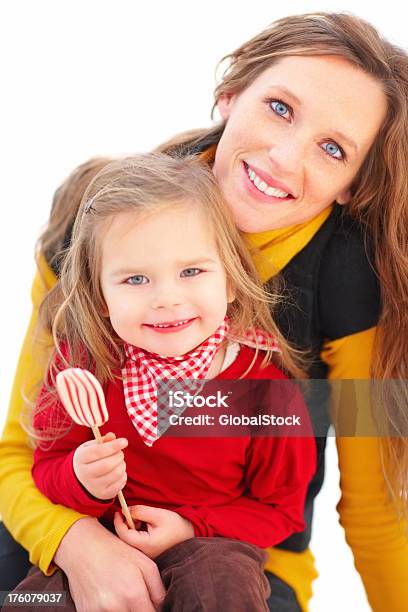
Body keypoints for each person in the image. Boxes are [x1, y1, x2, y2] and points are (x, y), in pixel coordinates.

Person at [1, 11, 408, 612]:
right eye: (280, 107)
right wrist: (78, 545)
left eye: (331, 148)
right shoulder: (94, 228)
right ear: (230, 96)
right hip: (69, 524)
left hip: (245, 553)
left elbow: (377, 506)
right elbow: (20, 452)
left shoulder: (350, 284)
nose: (282, 157)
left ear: (353, 182)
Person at [7, 153, 316, 611]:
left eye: (191, 271)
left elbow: (280, 511)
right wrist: (79, 477)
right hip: (97, 543)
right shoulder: (84, 366)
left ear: (230, 281)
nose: (167, 298)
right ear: (100, 296)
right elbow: (45, 468)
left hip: (213, 545)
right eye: (135, 279)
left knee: (222, 591)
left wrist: (192, 528)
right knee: (37, 601)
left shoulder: (265, 392)